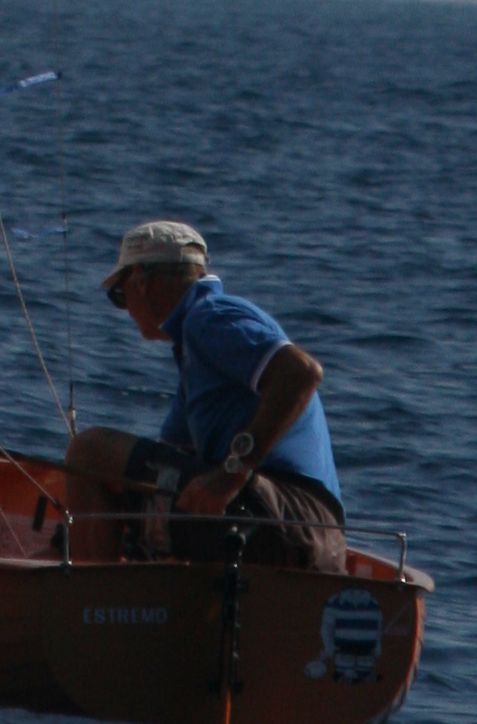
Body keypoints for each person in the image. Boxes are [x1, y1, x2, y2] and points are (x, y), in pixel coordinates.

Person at [64, 218, 347, 571]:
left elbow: (302, 373)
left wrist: (232, 472)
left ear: (142, 283)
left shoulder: (208, 318)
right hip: (319, 541)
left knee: (87, 453)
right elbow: (165, 462)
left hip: (285, 518)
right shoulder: (194, 354)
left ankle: (86, 596)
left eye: (119, 296)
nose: (125, 309)